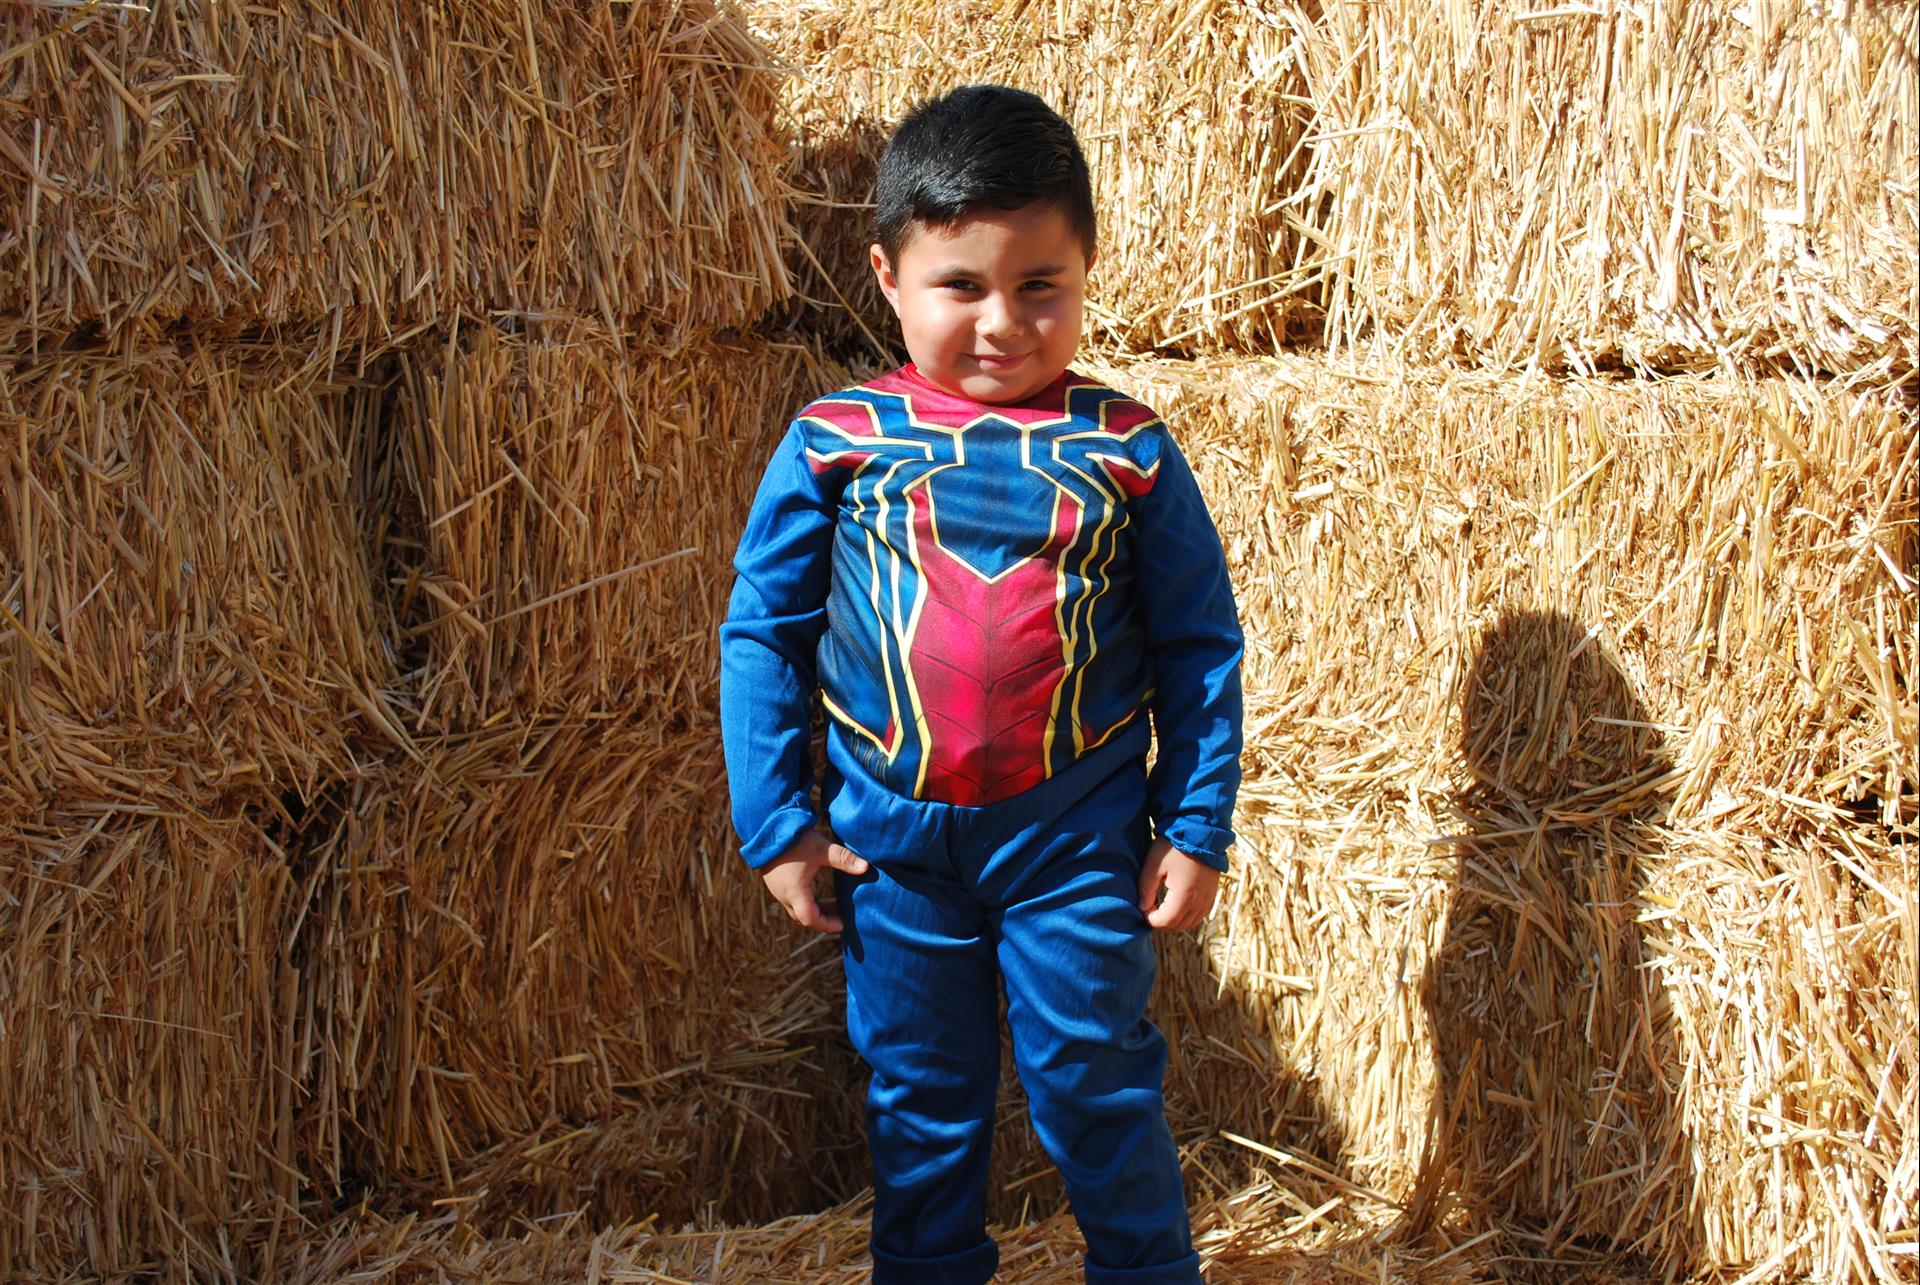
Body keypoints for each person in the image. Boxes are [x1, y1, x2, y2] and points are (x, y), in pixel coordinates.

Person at [718, 84, 1243, 1285]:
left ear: (1086, 268)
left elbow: (1198, 646)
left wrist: (1196, 822)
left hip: (1074, 841)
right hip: (892, 848)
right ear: (888, 276)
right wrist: (777, 823)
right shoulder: (836, 440)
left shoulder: (1130, 449)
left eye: (1039, 285)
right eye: (962, 286)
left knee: (1093, 1080)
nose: (1002, 321)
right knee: (920, 1100)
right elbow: (765, 633)